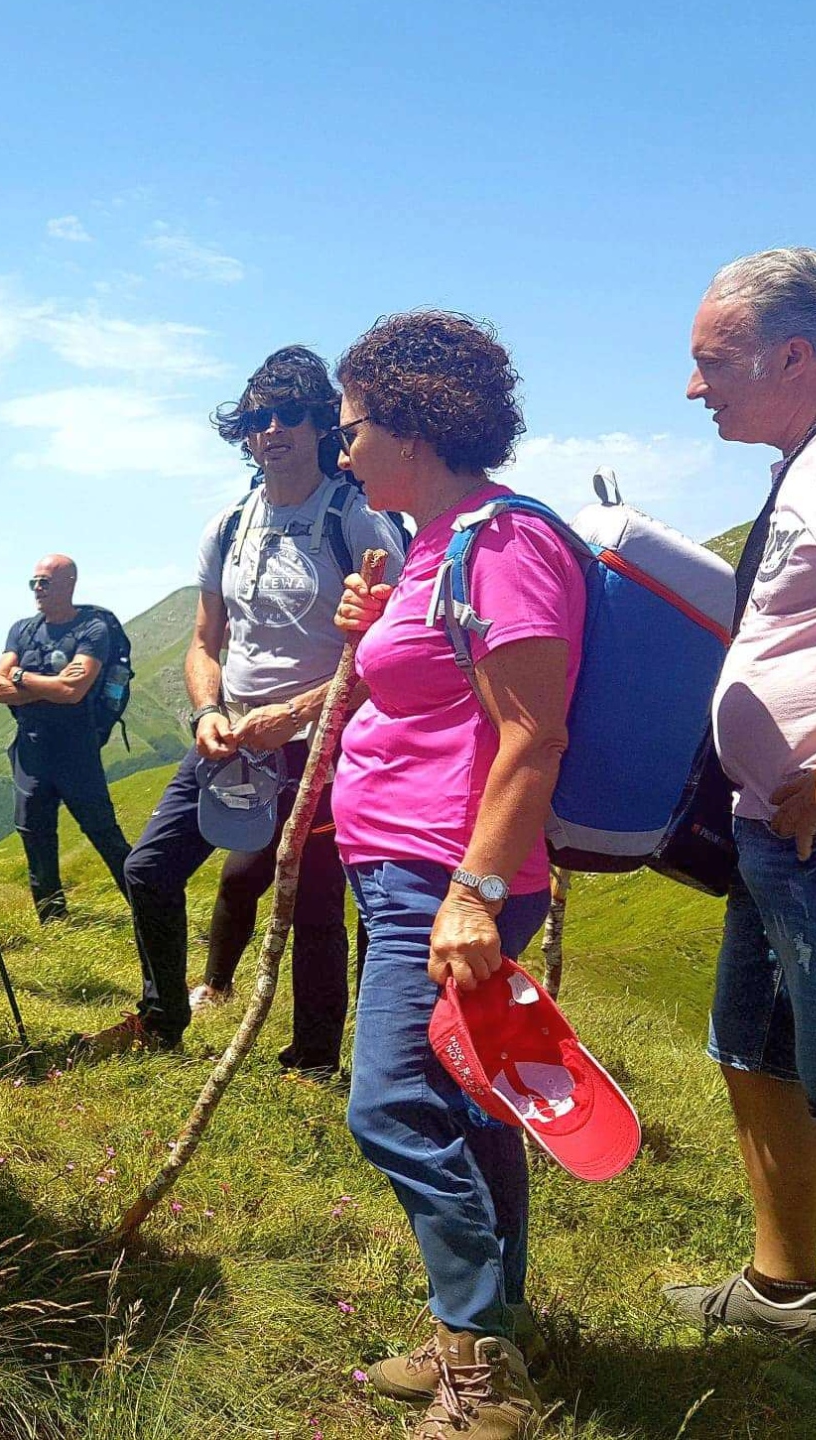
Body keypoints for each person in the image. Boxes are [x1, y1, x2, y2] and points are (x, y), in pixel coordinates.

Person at [331, 312, 584, 1440]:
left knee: (388, 1104)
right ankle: (489, 1334)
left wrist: (472, 895)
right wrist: (377, 625)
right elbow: (433, 695)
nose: (342, 453)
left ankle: (477, 1369)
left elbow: (532, 735)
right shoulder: (431, 543)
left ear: (412, 429)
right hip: (405, 865)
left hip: (445, 876)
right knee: (474, 1110)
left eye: (350, 430)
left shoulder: (504, 540)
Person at [660, 248, 816, 1418]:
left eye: (709, 361)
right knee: (758, 1052)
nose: (693, 388)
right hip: (777, 832)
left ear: (790, 356)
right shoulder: (813, 460)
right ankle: (779, 1282)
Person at [82, 348, 403, 1062]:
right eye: (258, 417)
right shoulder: (228, 525)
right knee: (149, 870)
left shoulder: (359, 520)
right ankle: (163, 1020)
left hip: (326, 745)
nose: (272, 429)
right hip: (233, 739)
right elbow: (204, 642)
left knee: (315, 906)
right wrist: (206, 713)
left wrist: (297, 716)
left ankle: (312, 1059)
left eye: (290, 413)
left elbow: (395, 656)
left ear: (323, 423)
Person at [0, 556, 132, 922]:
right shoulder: (22, 629)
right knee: (33, 832)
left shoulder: (93, 630)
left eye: (45, 582)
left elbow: (74, 691)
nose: (37, 589)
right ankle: (52, 920)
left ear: (69, 583)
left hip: (76, 749)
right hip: (31, 746)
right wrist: (48, 685)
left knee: (103, 832)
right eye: (33, 582)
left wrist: (21, 677)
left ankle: (147, 907)